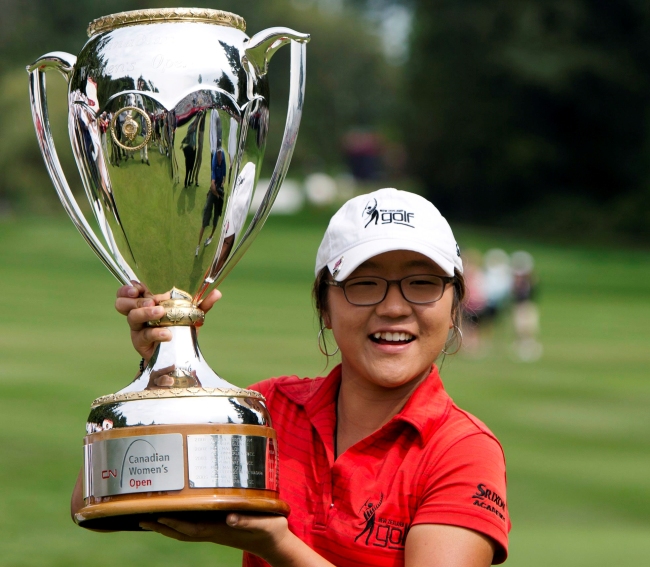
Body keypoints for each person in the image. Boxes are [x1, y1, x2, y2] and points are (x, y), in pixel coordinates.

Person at [103, 188, 510, 566]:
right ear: (325, 307)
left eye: (422, 284)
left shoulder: (463, 452)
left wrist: (277, 545)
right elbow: (106, 488)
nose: (393, 308)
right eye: (364, 284)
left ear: (455, 305)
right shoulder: (269, 410)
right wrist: (162, 359)